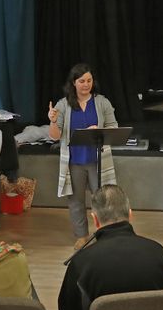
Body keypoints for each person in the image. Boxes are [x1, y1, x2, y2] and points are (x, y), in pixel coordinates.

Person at [47, 63, 119, 250]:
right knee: (76, 201)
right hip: (75, 161)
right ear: (74, 83)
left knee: (103, 200)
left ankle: (105, 234)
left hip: (97, 161)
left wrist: (99, 130)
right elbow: (55, 136)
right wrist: (53, 121)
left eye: (89, 80)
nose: (86, 84)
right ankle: (82, 236)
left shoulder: (102, 102)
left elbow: (113, 127)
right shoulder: (62, 105)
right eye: (81, 81)